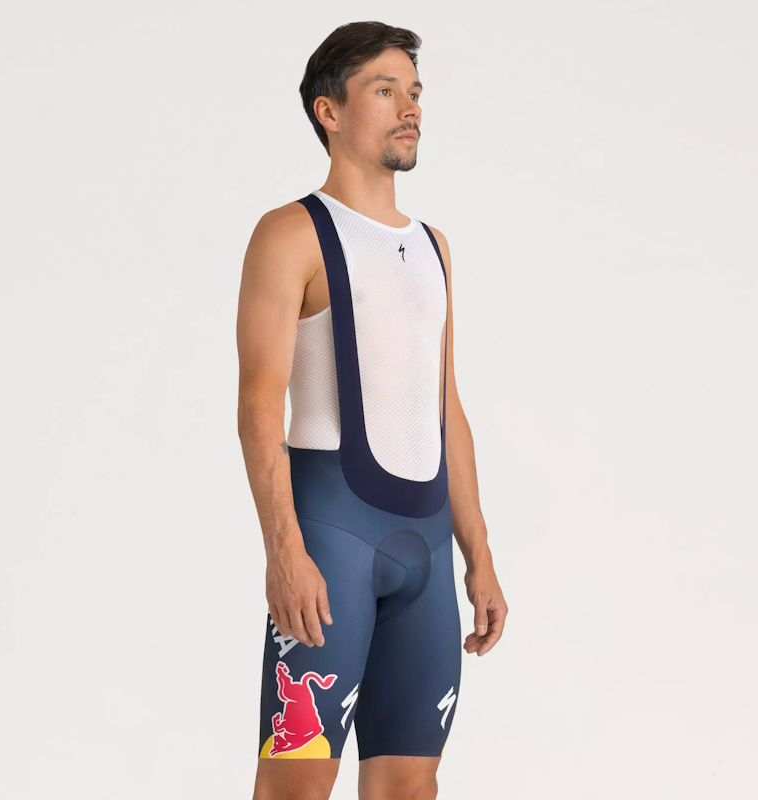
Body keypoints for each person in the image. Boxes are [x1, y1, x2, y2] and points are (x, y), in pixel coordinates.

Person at [236, 21, 508, 800]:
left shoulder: (434, 247)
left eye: (413, 92)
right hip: (331, 541)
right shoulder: (291, 234)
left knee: (410, 788)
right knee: (295, 784)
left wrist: (479, 555)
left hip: (425, 547)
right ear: (329, 110)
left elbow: (446, 407)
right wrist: (284, 552)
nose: (410, 108)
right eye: (385, 91)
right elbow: (258, 402)